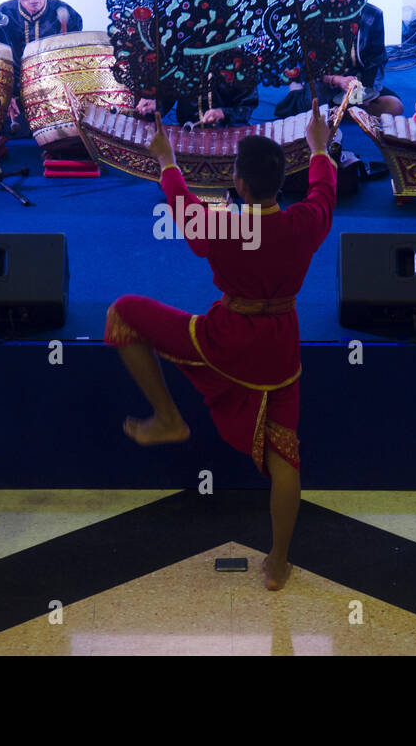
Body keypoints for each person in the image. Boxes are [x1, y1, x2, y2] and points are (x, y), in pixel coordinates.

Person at [105, 112, 336, 591]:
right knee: (285, 459)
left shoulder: (224, 228)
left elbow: (181, 202)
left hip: (224, 341)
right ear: (278, 181)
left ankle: (168, 418)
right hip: (280, 353)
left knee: (123, 313)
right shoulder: (304, 224)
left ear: (238, 182)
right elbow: (323, 193)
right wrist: (318, 149)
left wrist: (167, 159)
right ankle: (277, 564)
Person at [0, 0, 84, 131]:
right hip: (11, 99)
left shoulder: (66, 13)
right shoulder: (1, 14)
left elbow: (74, 65)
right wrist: (1, 93)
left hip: (53, 99)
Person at [274, 3, 404, 118]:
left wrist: (367, 92)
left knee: (394, 107)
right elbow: (308, 62)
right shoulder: (315, 13)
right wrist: (336, 80)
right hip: (326, 78)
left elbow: (376, 59)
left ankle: (337, 110)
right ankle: (298, 89)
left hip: (356, 80)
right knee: (309, 107)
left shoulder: (372, 15)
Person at [134, 81, 260, 127]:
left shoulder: (239, 62)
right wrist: (155, 104)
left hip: (227, 133)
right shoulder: (186, 55)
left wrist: (223, 113)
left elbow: (247, 105)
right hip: (187, 132)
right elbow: (169, 92)